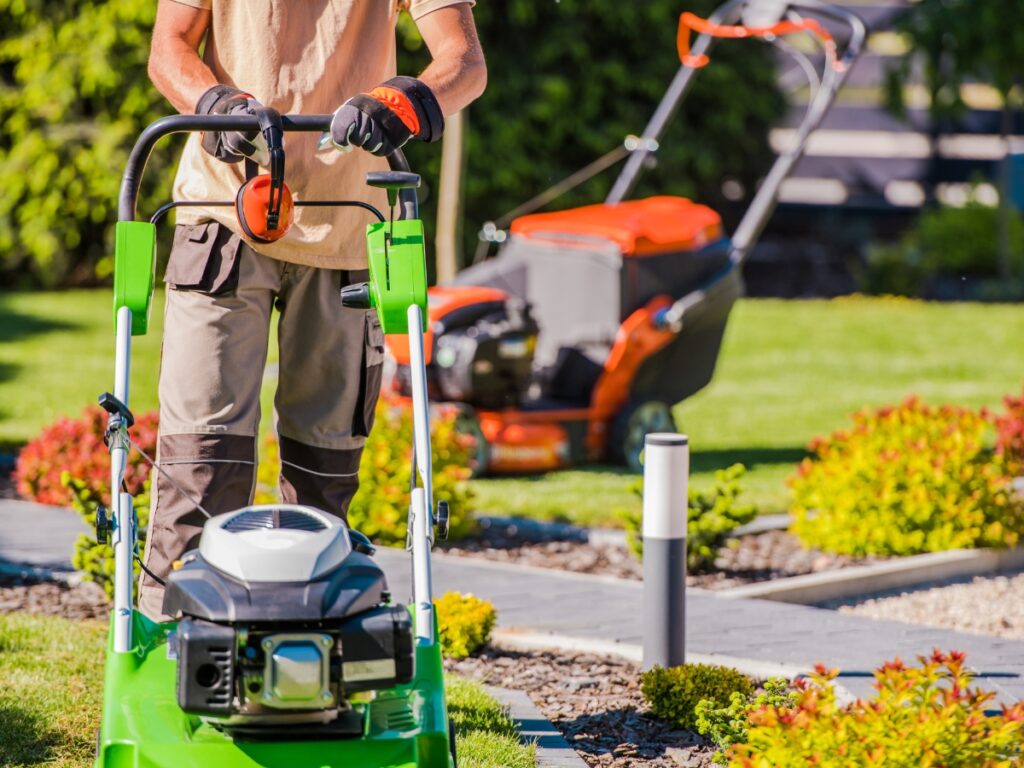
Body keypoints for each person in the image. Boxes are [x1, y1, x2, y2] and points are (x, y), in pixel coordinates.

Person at [140, 0, 486, 620]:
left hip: (349, 224)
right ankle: (169, 642)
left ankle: (313, 641)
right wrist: (213, 102)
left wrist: (403, 102)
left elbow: (463, 63)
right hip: (224, 214)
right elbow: (169, 48)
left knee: (322, 473)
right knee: (200, 460)